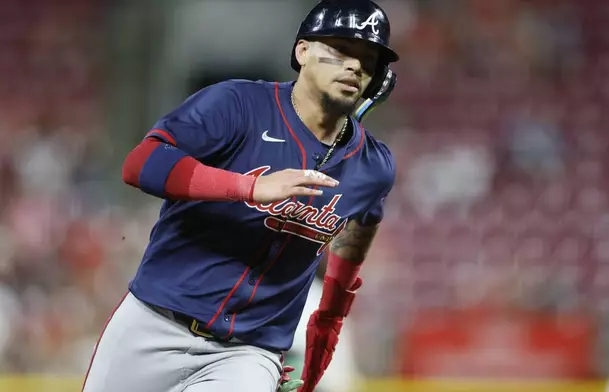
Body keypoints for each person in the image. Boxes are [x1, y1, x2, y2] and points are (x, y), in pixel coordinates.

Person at [81, 1, 399, 391]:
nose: (353, 65)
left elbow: (348, 259)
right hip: (153, 324)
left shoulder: (372, 166)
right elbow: (141, 163)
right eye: (340, 50)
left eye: (368, 59)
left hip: (248, 352)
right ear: (302, 52)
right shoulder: (238, 105)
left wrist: (323, 342)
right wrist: (248, 187)